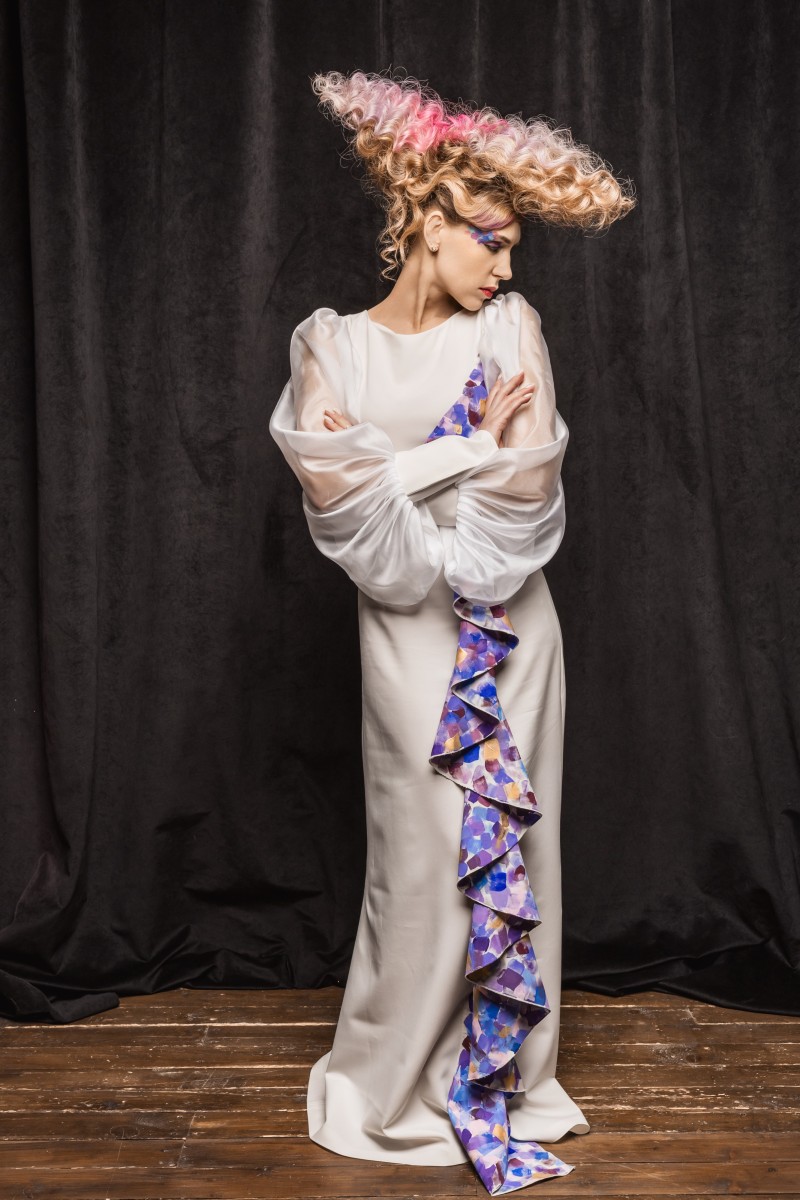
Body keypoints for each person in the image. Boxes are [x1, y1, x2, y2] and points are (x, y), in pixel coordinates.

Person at [269, 69, 635, 1195]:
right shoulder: (328, 344)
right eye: (493, 241)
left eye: (512, 247)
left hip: (510, 638)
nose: (506, 267)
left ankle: (505, 1074)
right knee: (421, 859)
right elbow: (360, 531)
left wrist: (394, 467)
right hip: (403, 636)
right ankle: (392, 1079)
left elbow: (506, 529)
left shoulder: (511, 326)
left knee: (514, 852)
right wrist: (462, 449)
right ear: (429, 222)